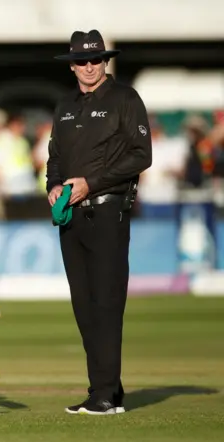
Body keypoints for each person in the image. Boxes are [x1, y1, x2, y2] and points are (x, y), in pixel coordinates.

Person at [46, 30, 152, 415]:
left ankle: (103, 395)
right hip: (70, 216)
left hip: (108, 210)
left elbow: (141, 155)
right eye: (82, 61)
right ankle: (108, 390)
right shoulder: (65, 105)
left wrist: (92, 182)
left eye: (96, 60)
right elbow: (55, 156)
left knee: (107, 304)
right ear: (72, 65)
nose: (89, 67)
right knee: (84, 307)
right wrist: (54, 185)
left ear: (105, 62)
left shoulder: (125, 99)